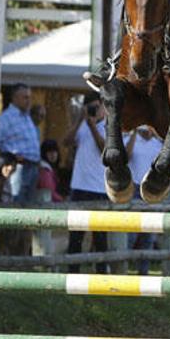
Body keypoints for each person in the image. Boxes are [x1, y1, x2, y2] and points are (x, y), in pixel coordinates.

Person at [65, 91, 110, 273]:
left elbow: (104, 150)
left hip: (99, 188)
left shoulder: (109, 126)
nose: (94, 111)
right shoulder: (81, 125)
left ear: (103, 107)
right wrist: (79, 121)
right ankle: (73, 274)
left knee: (100, 237)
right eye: (90, 108)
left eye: (96, 107)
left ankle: (100, 275)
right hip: (79, 187)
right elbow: (66, 142)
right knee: (75, 234)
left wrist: (92, 126)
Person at [125, 126, 165, 275]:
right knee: (131, 232)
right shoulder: (132, 139)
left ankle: (144, 271)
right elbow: (126, 156)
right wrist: (134, 132)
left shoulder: (158, 143)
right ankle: (123, 267)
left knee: (149, 233)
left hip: (152, 188)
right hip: (134, 187)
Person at [0, 84, 40, 203]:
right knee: (16, 203)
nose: (29, 101)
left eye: (30, 97)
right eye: (25, 97)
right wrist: (8, 159)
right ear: (15, 98)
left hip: (32, 166)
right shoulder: (6, 118)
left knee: (29, 206)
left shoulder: (26, 117)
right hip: (17, 167)